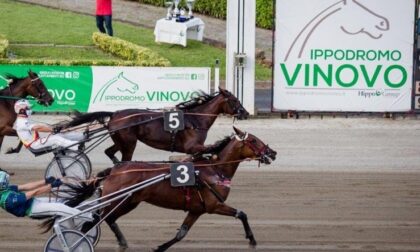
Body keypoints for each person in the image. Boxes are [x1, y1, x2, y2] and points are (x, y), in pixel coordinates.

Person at [0, 170, 92, 221]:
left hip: (34, 201)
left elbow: (26, 186)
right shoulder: (8, 200)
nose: (8, 182)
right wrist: (51, 186)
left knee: (63, 201)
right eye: (6, 181)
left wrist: (46, 181)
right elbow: (33, 193)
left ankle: (90, 205)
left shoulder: (5, 189)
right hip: (32, 210)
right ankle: (89, 217)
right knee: (60, 207)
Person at [14, 99, 85, 151]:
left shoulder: (25, 120)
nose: (30, 110)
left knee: (59, 135)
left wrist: (54, 128)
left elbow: (40, 125)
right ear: (21, 110)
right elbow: (38, 128)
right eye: (28, 108)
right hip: (34, 145)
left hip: (37, 142)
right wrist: (52, 129)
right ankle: (77, 146)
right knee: (56, 139)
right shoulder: (21, 122)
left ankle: (82, 136)